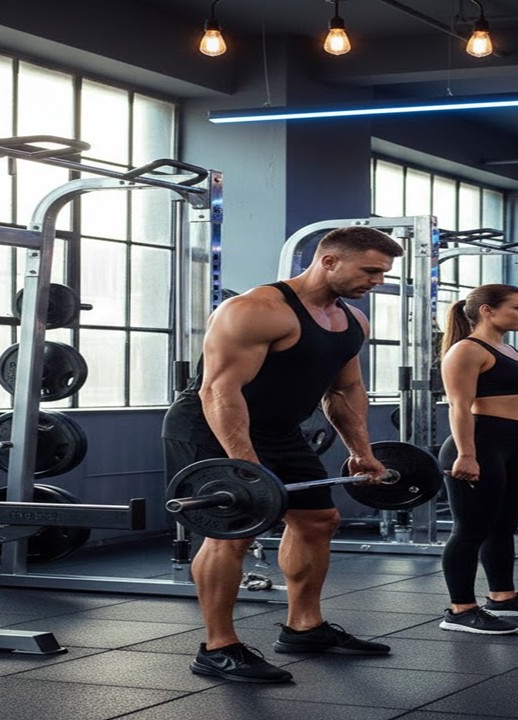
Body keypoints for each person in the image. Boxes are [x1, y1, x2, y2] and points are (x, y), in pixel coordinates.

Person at [161, 226, 404, 683]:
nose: (378, 281)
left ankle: (305, 627)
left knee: (318, 520)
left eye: (384, 273)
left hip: (279, 429)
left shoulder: (351, 320)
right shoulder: (256, 310)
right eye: (370, 270)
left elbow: (345, 389)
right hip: (211, 425)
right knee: (231, 534)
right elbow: (219, 389)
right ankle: (218, 646)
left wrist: (362, 451)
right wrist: (244, 464)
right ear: (329, 260)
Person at [437, 284, 518, 634]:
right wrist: (466, 454)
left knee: (503, 527)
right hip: (478, 444)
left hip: (509, 445)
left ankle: (503, 597)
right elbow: (459, 407)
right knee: (470, 530)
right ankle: (460, 610)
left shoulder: (506, 348)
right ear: (487, 310)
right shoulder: (466, 350)